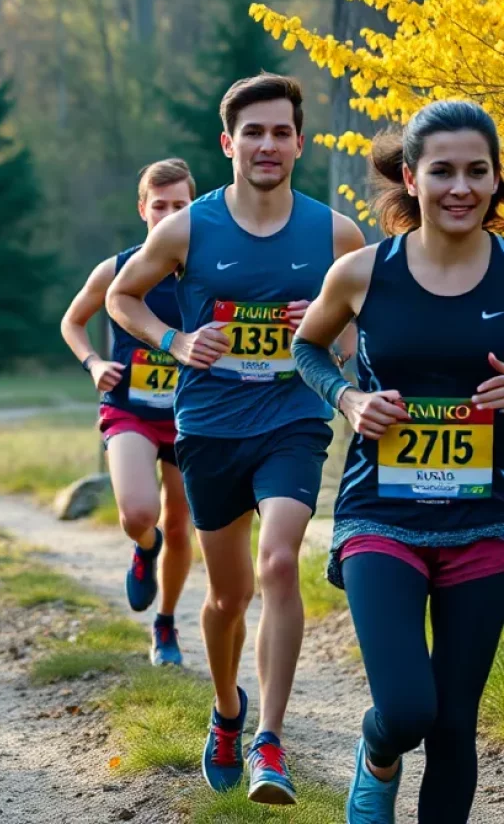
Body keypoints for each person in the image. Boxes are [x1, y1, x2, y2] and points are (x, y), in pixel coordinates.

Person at [106, 73, 364, 805]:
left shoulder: (334, 233)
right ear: (228, 143)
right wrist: (177, 339)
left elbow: (359, 324)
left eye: (281, 131)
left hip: (292, 420)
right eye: (253, 132)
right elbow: (123, 298)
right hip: (212, 426)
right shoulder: (188, 228)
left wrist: (325, 336)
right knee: (228, 596)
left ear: (300, 143)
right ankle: (227, 710)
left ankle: (269, 742)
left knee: (280, 563)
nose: (267, 145)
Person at [292, 100, 504, 824]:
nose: (460, 188)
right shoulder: (362, 272)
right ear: (411, 178)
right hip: (380, 516)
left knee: (452, 725)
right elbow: (307, 348)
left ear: (496, 179)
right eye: (442, 171)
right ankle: (378, 753)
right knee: (410, 709)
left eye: (477, 171)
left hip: (487, 522)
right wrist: (347, 399)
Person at [61, 158, 195, 667]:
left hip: (190, 414)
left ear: (194, 210)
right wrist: (93, 362)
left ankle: (165, 625)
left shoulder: (208, 272)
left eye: (179, 206)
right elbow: (73, 323)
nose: (168, 214)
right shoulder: (117, 268)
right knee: (140, 513)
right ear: (143, 209)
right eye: (159, 205)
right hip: (130, 410)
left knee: (183, 523)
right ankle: (145, 546)